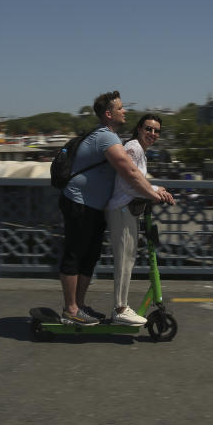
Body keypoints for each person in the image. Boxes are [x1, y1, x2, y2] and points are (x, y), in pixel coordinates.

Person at [58, 91, 168, 326]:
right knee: (75, 255)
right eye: (120, 108)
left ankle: (80, 306)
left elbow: (135, 175)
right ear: (109, 114)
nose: (125, 111)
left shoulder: (113, 138)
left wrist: (154, 188)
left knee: (89, 257)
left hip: (96, 206)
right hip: (79, 202)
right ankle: (70, 310)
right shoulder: (107, 138)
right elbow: (129, 173)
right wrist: (153, 194)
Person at [105, 114, 174, 325]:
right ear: (139, 128)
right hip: (123, 209)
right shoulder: (134, 148)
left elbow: (137, 180)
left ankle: (121, 307)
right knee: (125, 260)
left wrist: (154, 188)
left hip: (129, 210)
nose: (152, 133)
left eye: (156, 131)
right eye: (148, 129)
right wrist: (154, 191)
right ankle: (119, 309)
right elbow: (129, 183)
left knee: (128, 258)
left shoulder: (140, 150)